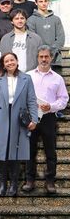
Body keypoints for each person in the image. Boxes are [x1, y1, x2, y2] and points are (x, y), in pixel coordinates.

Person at [0, 52, 39, 196]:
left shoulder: (26, 78)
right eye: (6, 61)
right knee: (1, 152)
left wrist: (34, 119)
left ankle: (14, 184)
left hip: (18, 118)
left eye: (12, 60)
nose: (9, 63)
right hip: (1, 117)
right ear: (3, 64)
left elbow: (31, 100)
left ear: (17, 61)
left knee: (15, 153)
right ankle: (3, 183)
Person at [23, 46, 69, 194]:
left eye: (46, 56)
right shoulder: (28, 76)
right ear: (37, 58)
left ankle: (50, 181)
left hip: (48, 118)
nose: (44, 59)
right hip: (31, 117)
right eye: (41, 56)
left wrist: (51, 106)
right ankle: (29, 180)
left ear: (51, 58)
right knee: (30, 150)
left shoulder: (58, 78)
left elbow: (64, 99)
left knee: (51, 151)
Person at [27, 0, 65, 66]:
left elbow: (61, 38)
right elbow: (33, 40)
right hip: (38, 59)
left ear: (48, 2)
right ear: (36, 3)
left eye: (45, 1)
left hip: (55, 58)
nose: (44, 3)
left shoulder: (56, 19)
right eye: (40, 1)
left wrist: (51, 52)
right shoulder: (31, 20)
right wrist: (43, 53)